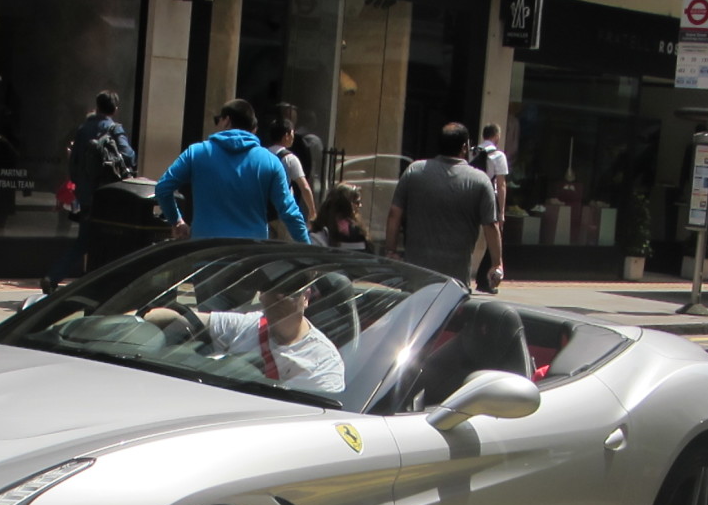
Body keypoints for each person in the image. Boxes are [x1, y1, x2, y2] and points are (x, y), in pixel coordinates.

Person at [144, 280, 343, 393]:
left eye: (290, 290)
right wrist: (133, 320)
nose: (279, 297)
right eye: (272, 288)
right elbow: (182, 319)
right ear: (262, 295)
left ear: (306, 297)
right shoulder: (246, 324)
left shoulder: (324, 362)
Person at [155, 99, 308, 243]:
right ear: (253, 129)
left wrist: (177, 221)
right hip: (249, 256)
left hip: (204, 252)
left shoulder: (196, 153)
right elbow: (289, 212)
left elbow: (163, 188)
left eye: (218, 120)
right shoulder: (270, 162)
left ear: (226, 120)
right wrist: (308, 251)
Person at [383, 122, 502, 289]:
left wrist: (391, 250)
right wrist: (497, 264)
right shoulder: (480, 180)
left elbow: (394, 213)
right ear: (464, 147)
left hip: (415, 276)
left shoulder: (414, 171)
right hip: (455, 280)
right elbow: (491, 225)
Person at [41, 90, 136, 293]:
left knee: (85, 239)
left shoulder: (83, 129)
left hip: (86, 196)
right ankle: (100, 283)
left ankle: (55, 276)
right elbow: (129, 156)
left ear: (98, 106)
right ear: (115, 110)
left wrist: (80, 185)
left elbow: (74, 164)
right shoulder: (114, 129)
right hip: (109, 195)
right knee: (110, 238)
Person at [472, 123, 510, 293]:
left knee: (468, 235)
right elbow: (501, 184)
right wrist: (501, 211)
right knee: (493, 238)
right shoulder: (498, 155)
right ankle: (484, 279)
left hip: (471, 195)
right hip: (489, 197)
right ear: (496, 136)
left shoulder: (473, 151)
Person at [265, 118, 316, 239]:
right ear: (286, 135)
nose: (293, 137)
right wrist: (312, 211)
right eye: (292, 133)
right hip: (284, 214)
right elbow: (304, 187)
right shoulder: (289, 158)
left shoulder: (262, 155)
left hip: (264, 213)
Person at [309, 184, 371, 250]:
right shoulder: (354, 231)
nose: (360, 205)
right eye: (357, 202)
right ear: (347, 205)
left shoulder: (315, 236)